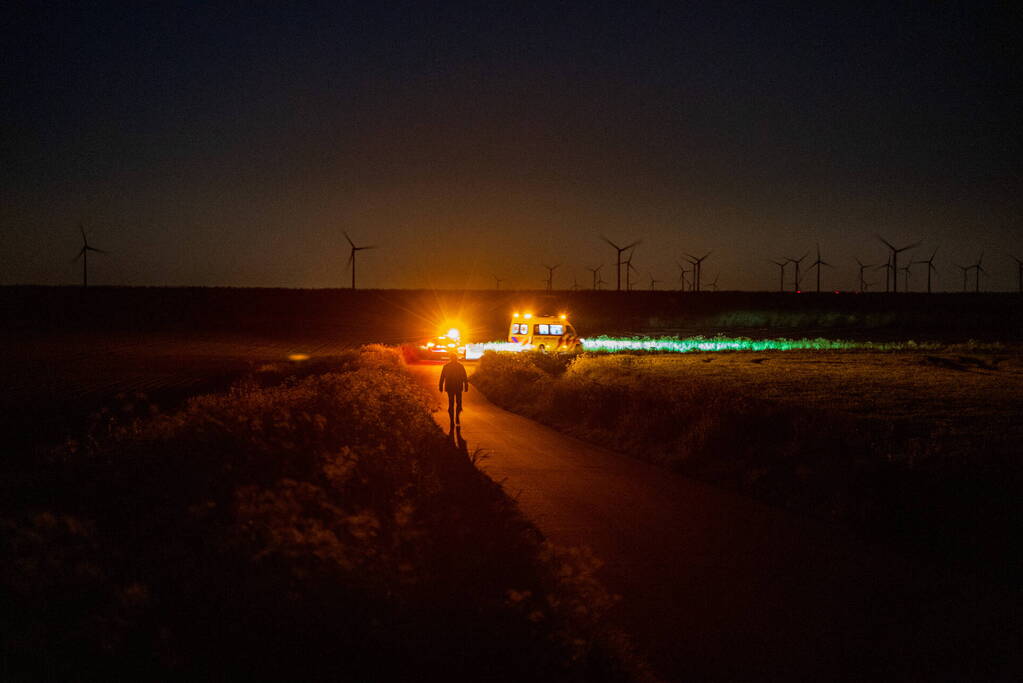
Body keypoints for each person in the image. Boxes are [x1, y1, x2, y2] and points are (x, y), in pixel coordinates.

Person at [439, 353, 469, 424]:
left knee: (451, 403)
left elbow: (442, 377)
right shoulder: (460, 366)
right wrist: (466, 386)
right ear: (456, 358)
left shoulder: (446, 366)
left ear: (450, 358)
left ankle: (452, 419)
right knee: (458, 403)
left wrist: (440, 386)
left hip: (450, 388)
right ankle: (456, 417)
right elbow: (465, 377)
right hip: (458, 387)